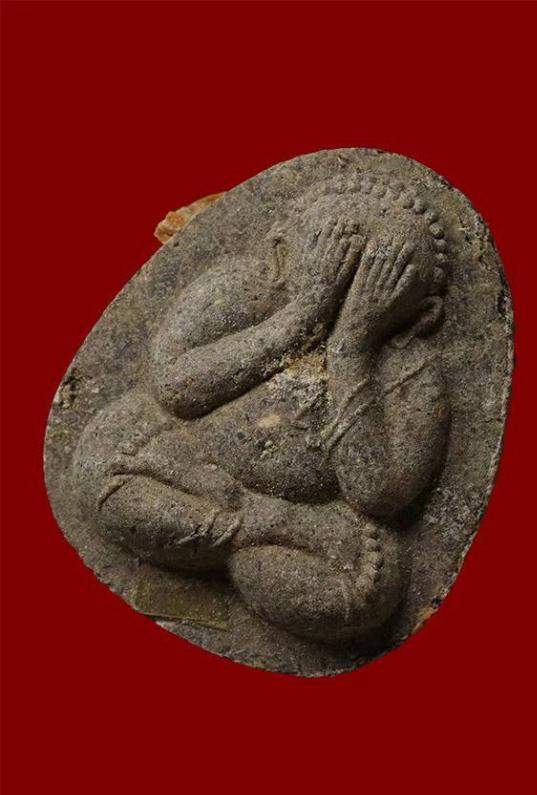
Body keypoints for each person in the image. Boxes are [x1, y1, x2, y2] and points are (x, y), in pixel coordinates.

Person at [73, 181, 450, 642]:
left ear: (424, 314)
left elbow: (378, 494)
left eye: (380, 276)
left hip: (317, 518)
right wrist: (303, 313)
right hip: (185, 463)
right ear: (280, 251)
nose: (350, 286)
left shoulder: (411, 369)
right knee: (101, 461)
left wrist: (351, 348)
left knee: (359, 596)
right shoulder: (241, 287)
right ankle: (256, 526)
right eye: (336, 252)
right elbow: (173, 387)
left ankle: (239, 539)